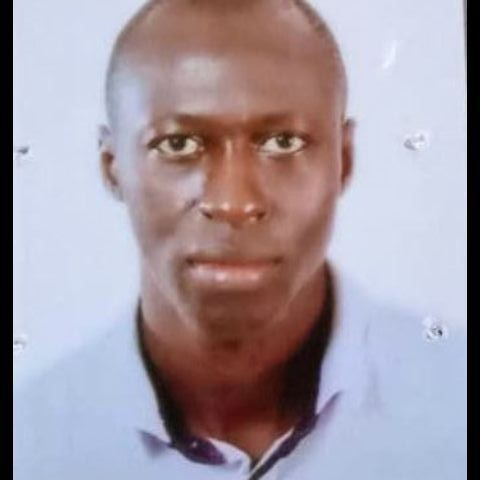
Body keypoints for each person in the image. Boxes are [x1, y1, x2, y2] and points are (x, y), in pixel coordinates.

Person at [13, 1, 466, 479]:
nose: (233, 202)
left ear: (344, 160)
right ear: (113, 168)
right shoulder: (29, 442)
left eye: (283, 142)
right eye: (178, 144)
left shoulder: (454, 400)